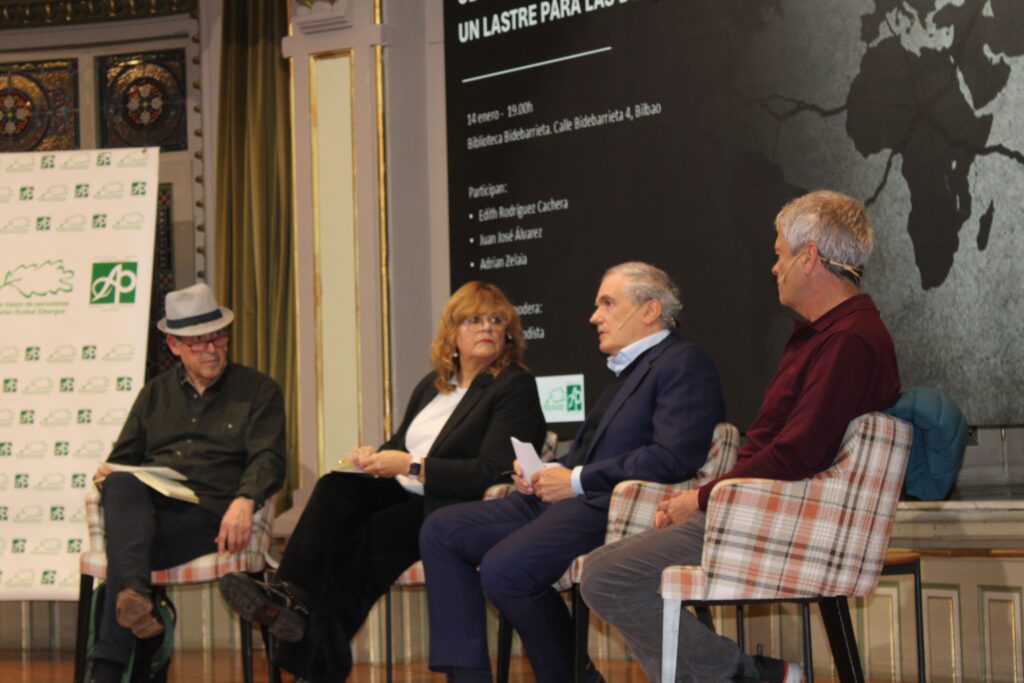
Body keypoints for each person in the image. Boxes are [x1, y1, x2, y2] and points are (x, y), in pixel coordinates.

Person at [580, 191, 901, 682]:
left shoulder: (847, 340)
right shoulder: (826, 334)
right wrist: (708, 497)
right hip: (759, 507)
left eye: (779, 255)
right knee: (608, 571)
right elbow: (781, 445)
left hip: (780, 518)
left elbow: (795, 454)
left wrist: (702, 498)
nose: (774, 268)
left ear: (809, 257)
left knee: (605, 577)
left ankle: (743, 675)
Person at [218, 281, 547, 681]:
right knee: (334, 488)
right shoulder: (434, 385)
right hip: (404, 492)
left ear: (509, 333)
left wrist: (410, 465)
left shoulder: (513, 385)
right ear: (452, 333)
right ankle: (290, 595)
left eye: (497, 320)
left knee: (367, 539)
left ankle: (311, 653)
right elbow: (401, 444)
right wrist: (374, 457)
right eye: (474, 320)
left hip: (453, 507)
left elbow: (491, 470)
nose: (488, 328)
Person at [419, 262, 725, 683]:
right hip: (569, 500)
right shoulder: (626, 371)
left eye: (607, 303)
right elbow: (588, 452)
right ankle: (468, 679)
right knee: (442, 530)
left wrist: (577, 479)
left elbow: (674, 456)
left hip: (609, 507)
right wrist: (545, 472)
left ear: (650, 310)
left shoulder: (682, 362)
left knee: (505, 570)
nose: (594, 316)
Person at [89, 283, 286, 683]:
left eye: (218, 337)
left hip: (211, 513)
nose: (211, 349)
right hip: (154, 509)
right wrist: (106, 474)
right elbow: (123, 458)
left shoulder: (257, 390)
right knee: (121, 485)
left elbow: (269, 458)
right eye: (198, 342)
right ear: (174, 345)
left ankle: (111, 657)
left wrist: (245, 499)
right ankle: (135, 597)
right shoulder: (154, 394)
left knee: (126, 553)